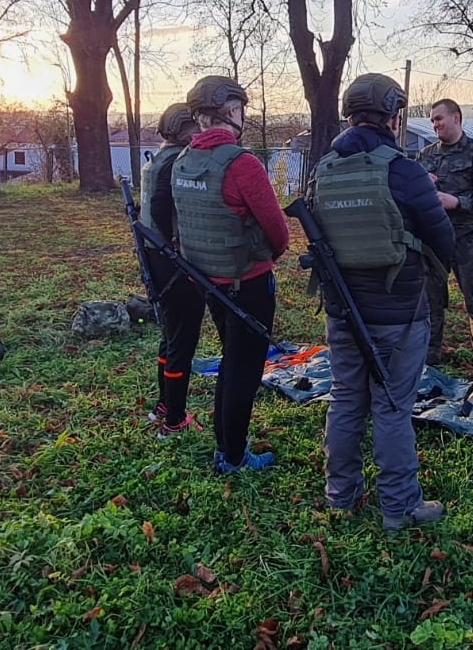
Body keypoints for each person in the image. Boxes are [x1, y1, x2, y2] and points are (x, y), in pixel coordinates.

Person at [311, 73, 456, 531]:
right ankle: (399, 508)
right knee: (392, 407)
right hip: (399, 314)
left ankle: (341, 496)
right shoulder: (405, 171)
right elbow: (444, 243)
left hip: (341, 312)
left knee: (346, 399)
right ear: (394, 117)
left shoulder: (323, 170)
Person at [173, 75, 289, 474]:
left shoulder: (182, 162)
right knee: (245, 368)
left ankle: (225, 444)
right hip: (248, 281)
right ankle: (234, 456)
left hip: (209, 281)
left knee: (231, 359)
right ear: (231, 112)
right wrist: (269, 255)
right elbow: (278, 232)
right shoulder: (242, 164)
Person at [419, 99, 473, 379]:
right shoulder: (426, 155)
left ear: (456, 118)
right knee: (431, 303)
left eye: (439, 119)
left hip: (466, 240)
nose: (435, 124)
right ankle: (430, 359)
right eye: (432, 120)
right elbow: (410, 193)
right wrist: (421, 182)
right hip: (434, 240)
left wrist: (457, 202)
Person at [140, 103, 205, 438]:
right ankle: (175, 418)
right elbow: (162, 206)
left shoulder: (158, 160)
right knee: (182, 340)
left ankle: (164, 405)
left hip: (155, 261)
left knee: (170, 337)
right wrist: (176, 246)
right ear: (184, 129)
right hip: (174, 263)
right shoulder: (177, 162)